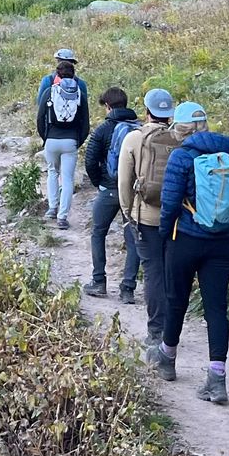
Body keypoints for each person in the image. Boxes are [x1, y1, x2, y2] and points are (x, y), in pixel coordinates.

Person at [146, 100, 229, 407]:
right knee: (216, 309)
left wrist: (166, 235)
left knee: (176, 300)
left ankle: (167, 359)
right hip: (220, 244)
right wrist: (222, 227)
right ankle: (217, 380)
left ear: (180, 128)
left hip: (185, 239)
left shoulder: (182, 156)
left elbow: (170, 201)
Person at [116, 87, 179, 342]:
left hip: (145, 217)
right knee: (171, 273)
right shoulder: (179, 138)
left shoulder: (134, 138)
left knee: (152, 273)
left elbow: (124, 182)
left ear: (147, 112)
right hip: (176, 218)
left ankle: (156, 331)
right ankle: (172, 330)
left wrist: (128, 213)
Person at [81, 86, 140, 301]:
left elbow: (90, 161)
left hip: (110, 190)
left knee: (98, 232)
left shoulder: (104, 129)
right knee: (133, 237)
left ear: (107, 106)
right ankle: (128, 288)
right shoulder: (139, 129)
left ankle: (99, 281)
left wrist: (100, 183)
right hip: (133, 192)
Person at [35, 50, 90, 229]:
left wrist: (45, 137)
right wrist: (78, 140)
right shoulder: (80, 88)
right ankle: (62, 216)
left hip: (51, 138)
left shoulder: (49, 87)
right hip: (71, 140)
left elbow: (40, 115)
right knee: (67, 179)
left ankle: (52, 208)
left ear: (57, 71)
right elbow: (85, 122)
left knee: (52, 173)